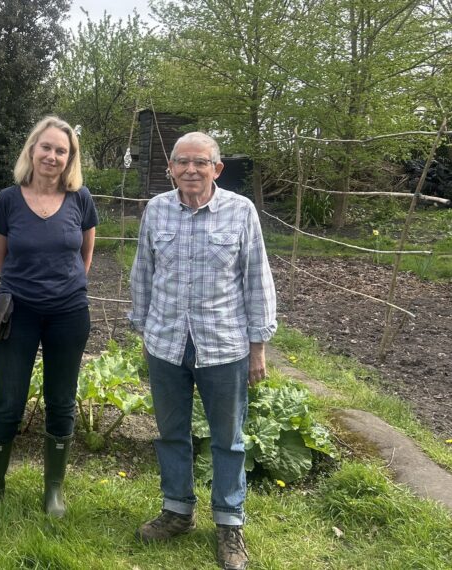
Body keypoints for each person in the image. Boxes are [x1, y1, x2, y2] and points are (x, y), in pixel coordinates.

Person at [129, 132, 276, 570]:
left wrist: (258, 347)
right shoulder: (156, 210)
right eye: (182, 162)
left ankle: (230, 524)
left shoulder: (241, 211)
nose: (191, 170)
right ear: (171, 168)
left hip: (224, 344)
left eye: (201, 162)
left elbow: (257, 278)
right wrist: (144, 331)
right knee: (170, 433)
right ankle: (177, 511)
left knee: (228, 439)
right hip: (166, 342)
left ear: (217, 168)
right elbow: (143, 272)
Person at [0, 116, 98, 517]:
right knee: (8, 401)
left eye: (61, 151)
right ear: (32, 150)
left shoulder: (80, 198)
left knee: (61, 401)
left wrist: (64, 287)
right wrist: (29, 287)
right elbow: (1, 259)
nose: (52, 156)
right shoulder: (8, 199)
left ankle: (53, 491)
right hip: (17, 312)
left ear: (70, 158)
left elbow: (85, 255)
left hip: (69, 313)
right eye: (46, 147)